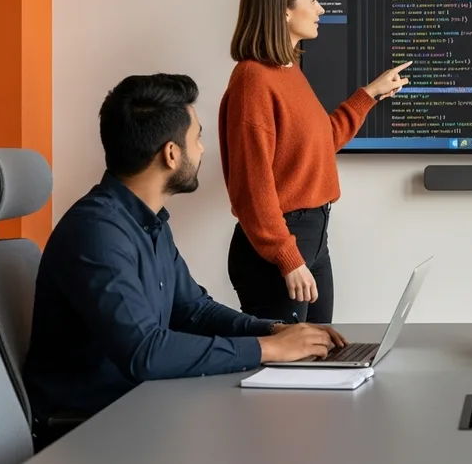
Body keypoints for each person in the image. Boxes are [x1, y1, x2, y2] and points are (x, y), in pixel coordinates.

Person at [24, 74, 345, 448]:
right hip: (92, 427)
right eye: (198, 139)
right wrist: (268, 351)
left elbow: (194, 311)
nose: (203, 150)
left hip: (141, 404)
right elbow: (146, 352)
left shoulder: (148, 222)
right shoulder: (96, 233)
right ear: (171, 154)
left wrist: (273, 330)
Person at [220, 0, 410, 324]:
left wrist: (370, 94)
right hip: (281, 245)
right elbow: (251, 187)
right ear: (283, 10)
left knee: (321, 354)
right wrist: (286, 256)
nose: (321, 9)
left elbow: (319, 144)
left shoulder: (287, 71)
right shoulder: (253, 80)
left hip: (313, 235)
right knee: (288, 368)